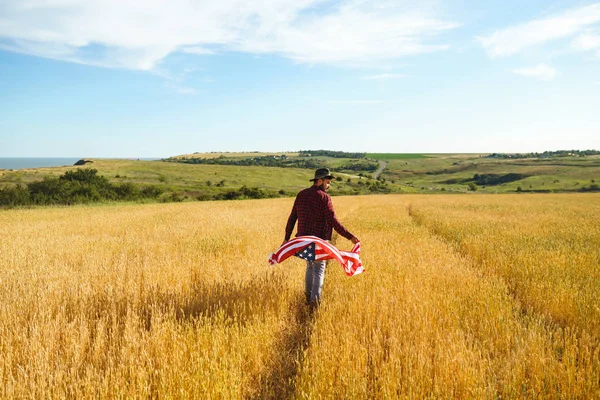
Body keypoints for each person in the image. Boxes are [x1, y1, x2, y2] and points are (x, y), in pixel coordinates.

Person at [283, 168, 359, 308]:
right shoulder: (324, 198)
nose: (329, 185)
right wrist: (350, 236)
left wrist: (286, 238)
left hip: (303, 240)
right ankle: (314, 302)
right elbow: (333, 221)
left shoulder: (301, 195)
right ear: (319, 181)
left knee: (310, 266)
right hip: (319, 240)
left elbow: (292, 217)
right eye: (327, 182)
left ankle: (308, 296)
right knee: (319, 268)